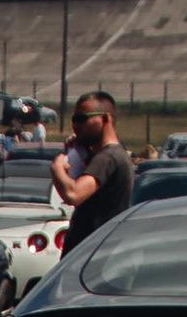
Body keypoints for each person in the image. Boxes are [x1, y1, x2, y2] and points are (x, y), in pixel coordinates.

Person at [53, 91, 134, 251]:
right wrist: (78, 149)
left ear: (105, 119)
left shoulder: (107, 158)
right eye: (74, 120)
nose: (76, 126)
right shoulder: (113, 154)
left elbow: (73, 194)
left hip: (93, 258)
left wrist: (57, 166)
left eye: (82, 119)